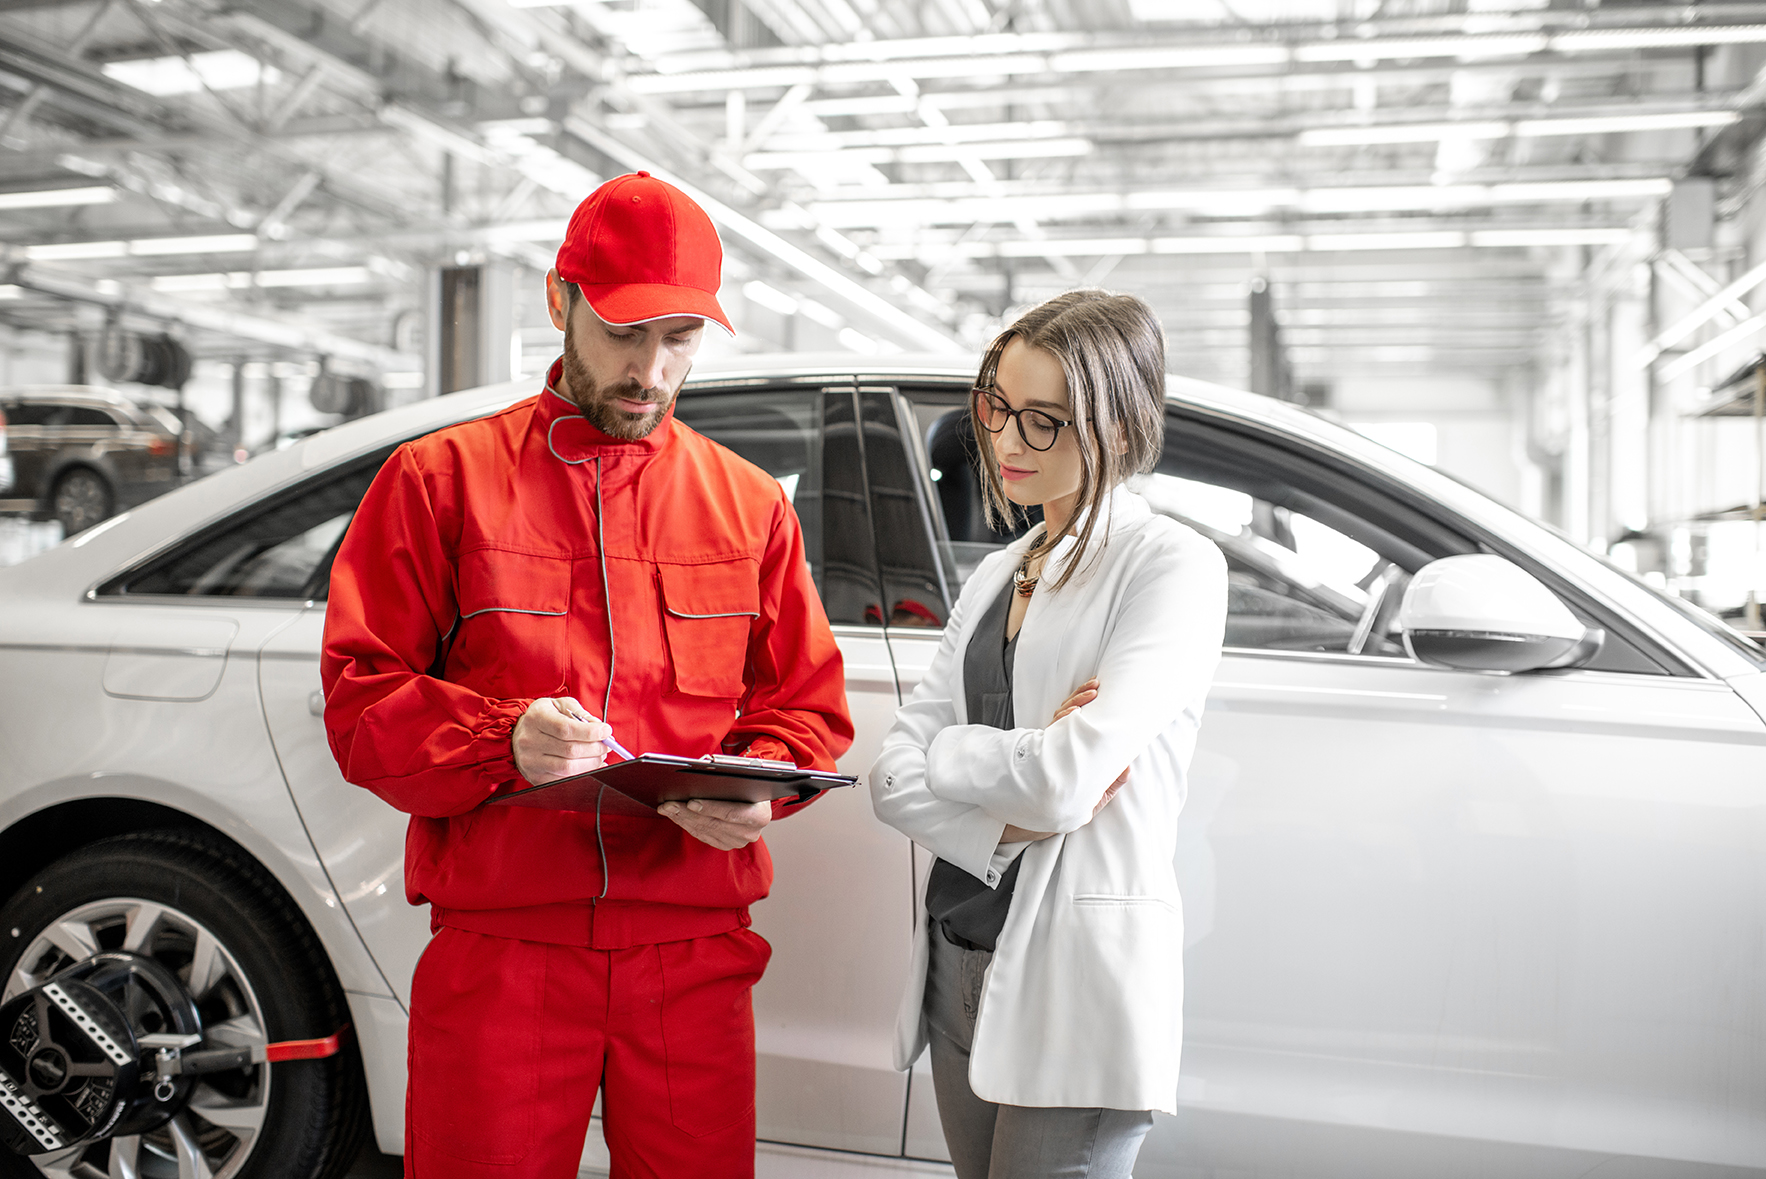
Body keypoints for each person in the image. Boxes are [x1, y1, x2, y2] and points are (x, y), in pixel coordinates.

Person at [320, 171, 853, 1179]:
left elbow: (804, 710)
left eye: (680, 339)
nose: (650, 370)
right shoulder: (439, 483)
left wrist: (757, 793)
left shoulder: (748, 508)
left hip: (689, 949)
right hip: (504, 951)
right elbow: (359, 702)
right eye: (623, 333)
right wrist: (498, 740)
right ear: (559, 301)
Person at [869, 290, 1227, 1179]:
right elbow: (886, 776)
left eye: (1046, 422)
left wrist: (954, 754)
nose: (1008, 444)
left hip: (1073, 981)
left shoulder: (1169, 567)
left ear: (1117, 424)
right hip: (959, 959)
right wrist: (1003, 796)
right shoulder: (999, 570)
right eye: (997, 410)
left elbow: (1067, 782)